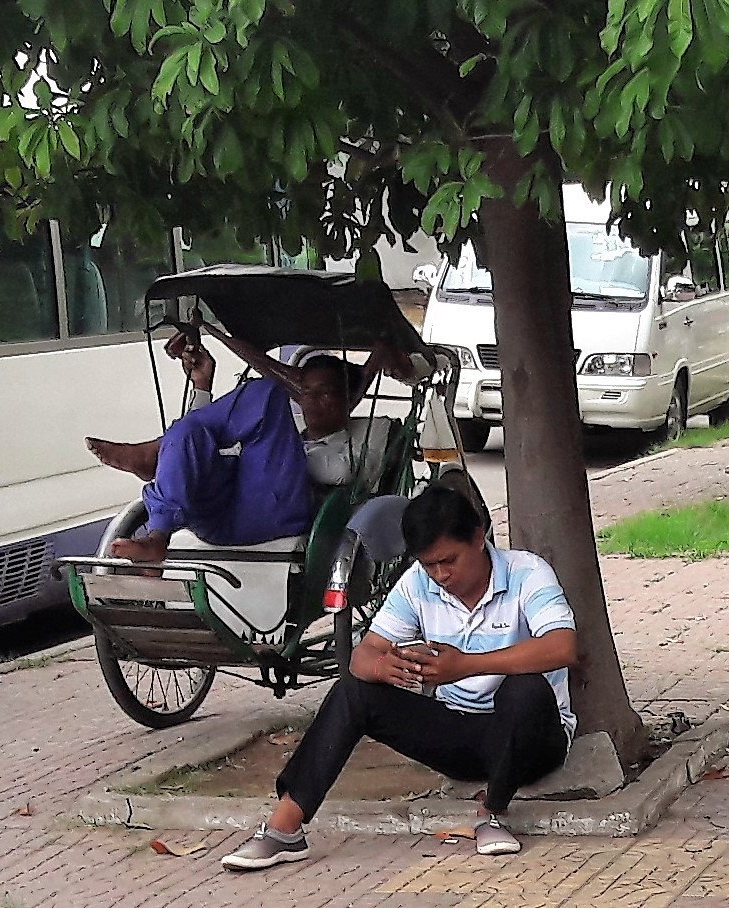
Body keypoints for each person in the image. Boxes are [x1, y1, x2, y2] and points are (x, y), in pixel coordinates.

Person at [220, 484, 578, 869]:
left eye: (449, 561)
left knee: (524, 689)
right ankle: (284, 829)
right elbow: (362, 656)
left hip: (533, 741)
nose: (440, 575)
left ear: (478, 538)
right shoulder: (416, 584)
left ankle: (491, 814)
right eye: (429, 565)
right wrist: (382, 667)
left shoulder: (527, 572)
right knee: (353, 691)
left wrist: (467, 665)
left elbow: (562, 647)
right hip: (460, 735)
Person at [86, 314, 409, 562]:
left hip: (278, 515)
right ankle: (157, 535)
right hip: (219, 516)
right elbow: (205, 441)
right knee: (193, 433)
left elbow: (340, 474)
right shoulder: (281, 432)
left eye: (326, 393)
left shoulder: (358, 440)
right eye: (306, 392)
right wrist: (203, 385)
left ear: (348, 398)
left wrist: (380, 353)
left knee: (267, 392)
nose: (312, 400)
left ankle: (156, 454)